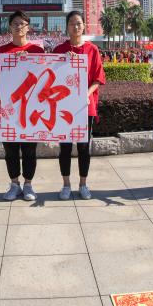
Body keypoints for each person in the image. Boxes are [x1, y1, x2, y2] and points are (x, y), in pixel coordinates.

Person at [53, 10, 106, 200]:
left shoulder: (92, 50)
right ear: (67, 27)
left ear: (83, 26)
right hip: (64, 107)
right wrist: (63, 61)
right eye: (72, 23)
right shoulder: (59, 50)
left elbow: (98, 79)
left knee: (84, 146)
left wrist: (85, 94)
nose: (76, 27)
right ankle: (66, 185)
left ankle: (83, 184)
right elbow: (50, 75)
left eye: (79, 23)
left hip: (85, 106)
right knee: (65, 147)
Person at [0, 10, 46, 201]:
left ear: (28, 27)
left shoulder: (37, 51)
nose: (18, 27)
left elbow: (44, 78)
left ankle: (28, 185)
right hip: (9, 107)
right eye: (15, 24)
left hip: (31, 108)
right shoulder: (1, 52)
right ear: (10, 27)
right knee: (10, 149)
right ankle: (14, 184)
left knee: (30, 148)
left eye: (22, 24)